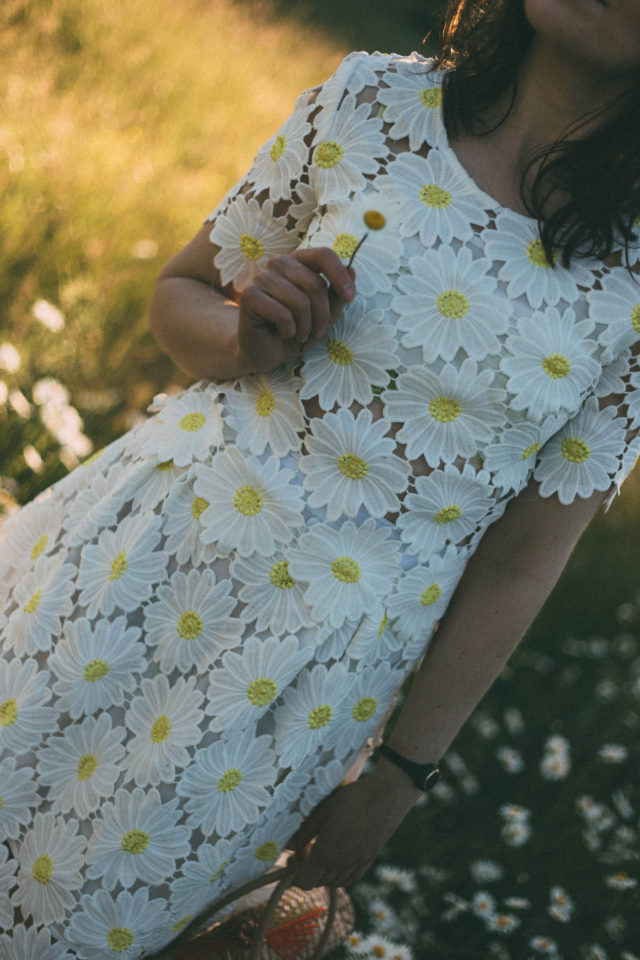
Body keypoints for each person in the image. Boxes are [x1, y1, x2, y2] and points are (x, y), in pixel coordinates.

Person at [1, 0, 640, 956]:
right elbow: (182, 296)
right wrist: (244, 328)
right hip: (130, 558)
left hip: (294, 681)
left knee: (83, 921)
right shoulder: (371, 101)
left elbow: (522, 561)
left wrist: (397, 778)